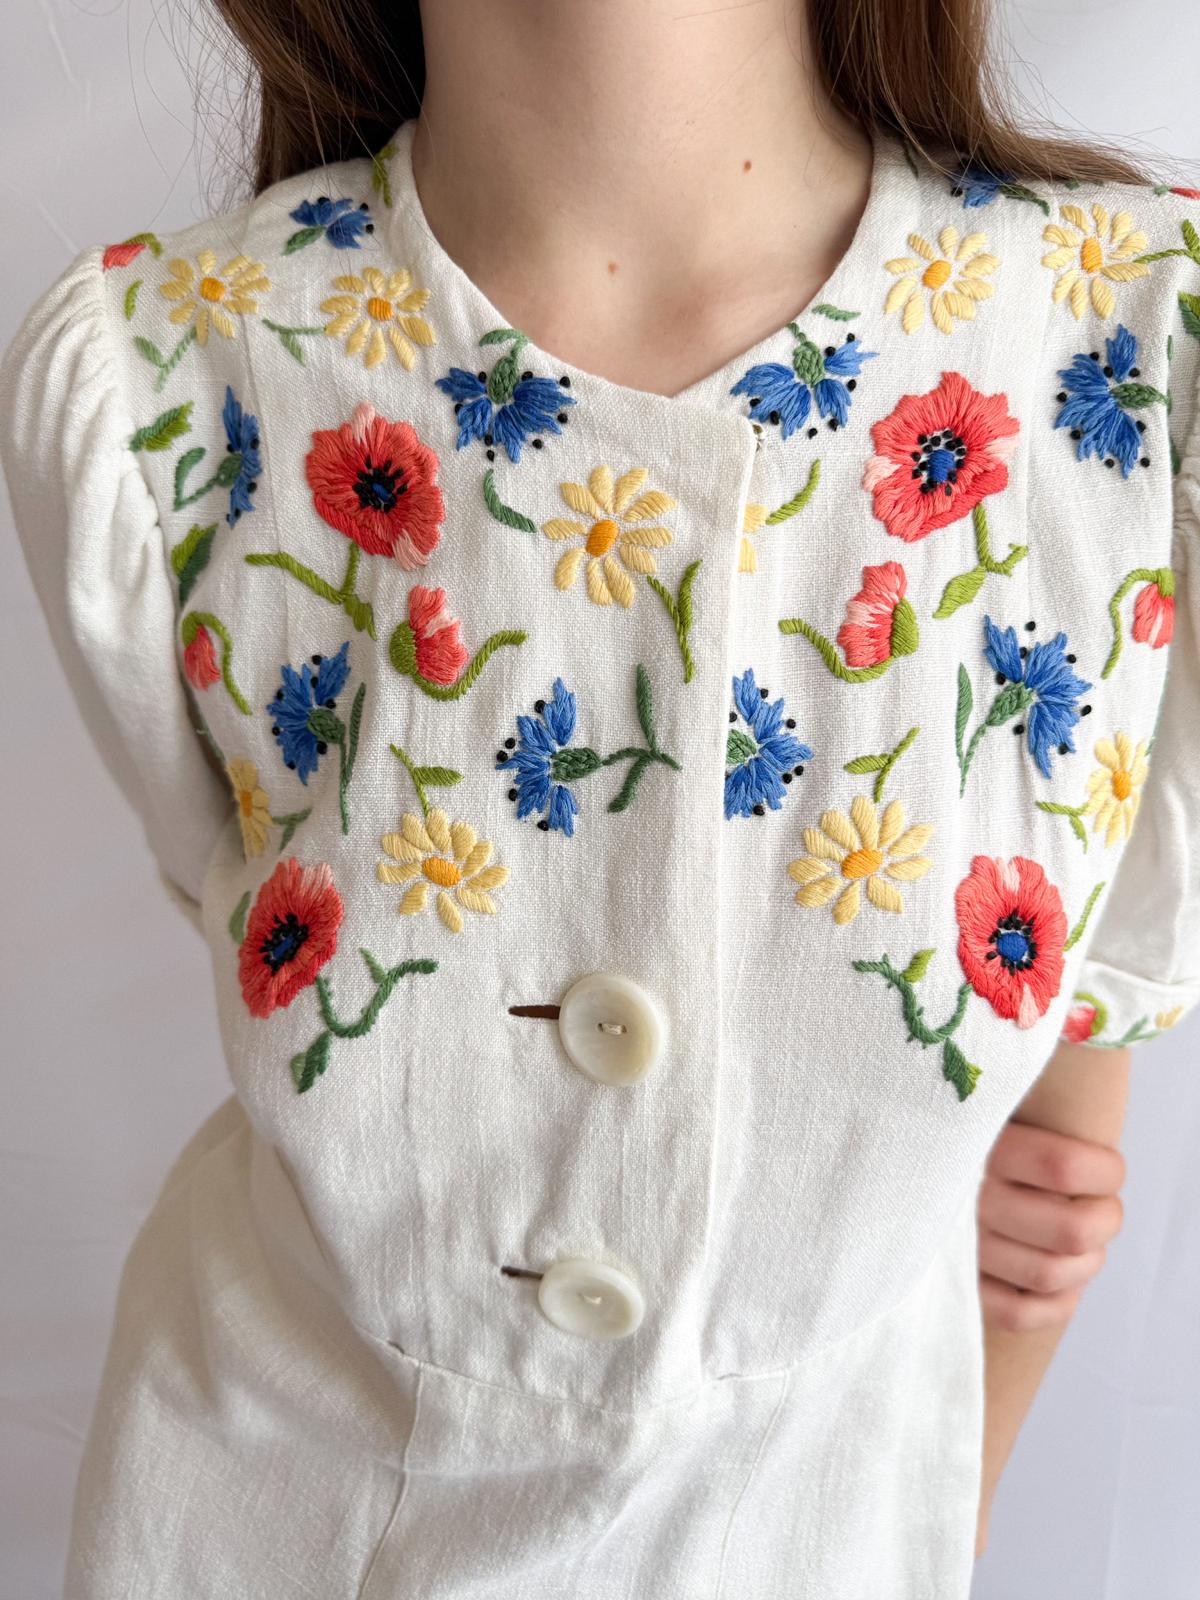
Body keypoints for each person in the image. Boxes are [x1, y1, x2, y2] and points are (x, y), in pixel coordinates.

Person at [2, 0, 1198, 1593]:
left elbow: (1074, 1072)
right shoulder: (160, 378)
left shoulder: (1124, 351)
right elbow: (234, 890)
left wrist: (937, 1497)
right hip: (247, 1524)